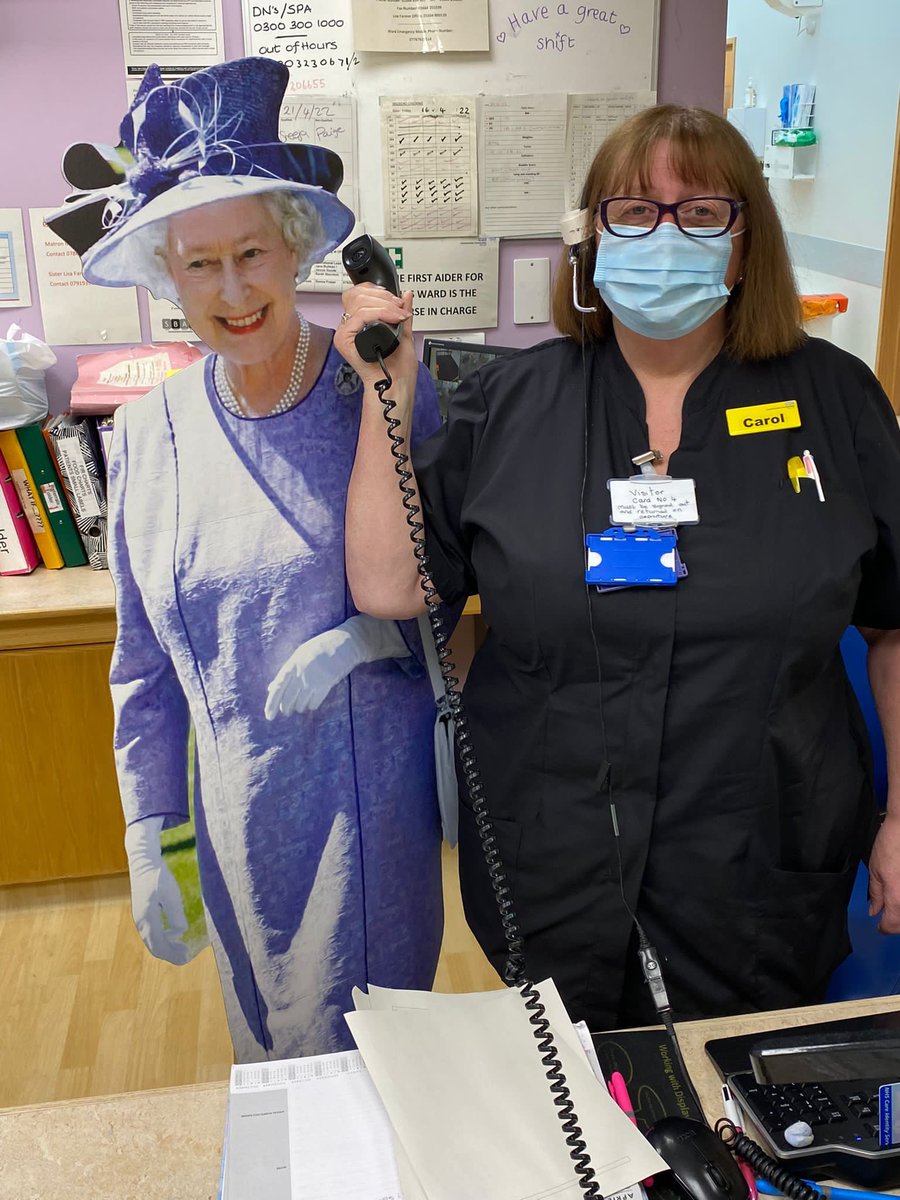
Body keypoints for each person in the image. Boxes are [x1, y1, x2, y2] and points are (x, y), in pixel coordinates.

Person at [337, 104, 900, 1030]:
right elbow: (391, 586)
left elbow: (894, 624)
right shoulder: (512, 401)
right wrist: (384, 392)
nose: (664, 235)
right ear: (590, 238)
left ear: (746, 242)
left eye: (702, 212)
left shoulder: (836, 402)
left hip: (759, 869)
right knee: (580, 1095)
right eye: (634, 212)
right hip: (552, 861)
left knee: (731, 1103)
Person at [47, 57, 444, 1062]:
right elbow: (144, 662)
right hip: (235, 820)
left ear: (298, 244)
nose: (232, 290)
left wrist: (362, 641)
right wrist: (152, 831)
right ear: (166, 277)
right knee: (265, 1057)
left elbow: (450, 597)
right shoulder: (147, 433)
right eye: (199, 264)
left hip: (365, 813)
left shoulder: (375, 391)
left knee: (359, 1067)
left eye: (253, 252)